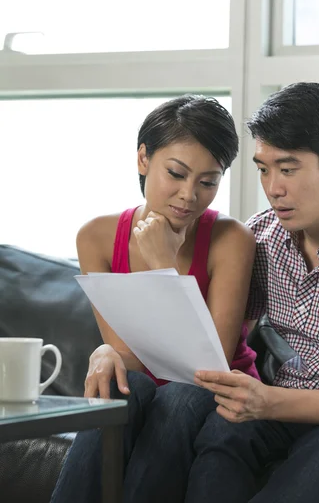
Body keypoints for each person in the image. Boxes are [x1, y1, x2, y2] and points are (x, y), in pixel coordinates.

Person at [180, 82, 319, 503]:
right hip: (284, 400)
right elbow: (206, 341)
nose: (272, 187)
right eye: (263, 169)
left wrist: (269, 402)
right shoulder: (261, 236)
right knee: (223, 431)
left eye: (288, 168)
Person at [50, 94, 261, 503]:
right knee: (119, 390)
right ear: (143, 159)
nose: (189, 195)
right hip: (151, 387)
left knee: (180, 396)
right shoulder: (95, 236)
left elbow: (207, 367)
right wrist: (106, 353)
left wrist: (164, 263)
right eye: (176, 174)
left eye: (208, 181)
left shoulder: (232, 240)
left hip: (218, 394)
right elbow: (127, 352)